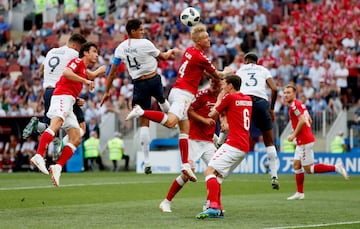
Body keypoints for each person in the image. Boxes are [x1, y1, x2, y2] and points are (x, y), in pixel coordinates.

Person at [125, 23, 232, 182]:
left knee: (184, 129)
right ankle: (141, 112)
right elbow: (216, 74)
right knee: (170, 122)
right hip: (183, 95)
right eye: (205, 38)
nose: (209, 39)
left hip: (178, 91)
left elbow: (201, 71)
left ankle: (185, 165)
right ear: (198, 41)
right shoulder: (201, 56)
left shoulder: (190, 51)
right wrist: (227, 73)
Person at [101, 18, 179, 175]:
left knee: (145, 122)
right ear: (133, 31)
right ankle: (174, 121)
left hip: (139, 84)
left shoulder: (121, 48)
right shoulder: (146, 43)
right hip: (153, 79)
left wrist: (107, 90)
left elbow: (113, 71)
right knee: (162, 100)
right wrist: (170, 52)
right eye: (140, 29)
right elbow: (163, 57)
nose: (143, 31)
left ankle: (147, 160)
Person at [30, 42, 106, 187]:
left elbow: (87, 75)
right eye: (94, 51)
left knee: (77, 137)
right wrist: (86, 80)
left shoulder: (83, 68)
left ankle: (57, 166)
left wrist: (96, 73)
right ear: (85, 53)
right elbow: (66, 72)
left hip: (69, 101)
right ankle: (39, 155)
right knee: (56, 124)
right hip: (61, 96)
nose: (97, 54)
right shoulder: (76, 61)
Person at [159, 78, 221, 213]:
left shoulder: (221, 97)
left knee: (217, 172)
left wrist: (215, 136)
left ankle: (210, 203)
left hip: (208, 142)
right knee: (186, 175)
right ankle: (166, 202)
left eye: (216, 85)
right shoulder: (201, 95)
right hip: (194, 139)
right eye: (211, 83)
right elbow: (189, 112)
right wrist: (204, 120)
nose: (213, 87)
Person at [195, 74, 253, 219]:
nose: (222, 87)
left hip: (233, 144)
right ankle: (218, 209)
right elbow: (233, 113)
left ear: (230, 86)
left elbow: (212, 113)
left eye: (224, 84)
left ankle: (213, 207)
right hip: (244, 146)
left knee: (208, 172)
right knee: (218, 176)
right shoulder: (248, 99)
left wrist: (220, 99)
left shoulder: (229, 98)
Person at [283, 84, 349, 200]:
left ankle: (336, 167)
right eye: (285, 93)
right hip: (303, 139)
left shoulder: (294, 106)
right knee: (296, 165)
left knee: (309, 169)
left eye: (288, 92)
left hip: (304, 140)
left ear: (294, 94)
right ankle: (300, 193)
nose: (286, 95)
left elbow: (303, 120)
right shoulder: (300, 105)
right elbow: (309, 119)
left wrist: (293, 134)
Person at [22, 33, 87, 151]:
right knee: (81, 126)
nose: (80, 51)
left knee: (49, 125)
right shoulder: (73, 53)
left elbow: (41, 71)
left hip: (48, 92)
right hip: (61, 91)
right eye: (80, 48)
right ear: (74, 45)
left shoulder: (51, 52)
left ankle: (39, 126)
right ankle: (62, 144)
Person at [235, 52, 280, 190]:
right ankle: (274, 176)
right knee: (269, 141)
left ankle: (221, 153)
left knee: (236, 133)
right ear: (257, 61)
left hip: (245, 101)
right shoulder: (264, 70)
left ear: (247, 61)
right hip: (261, 103)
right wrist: (271, 109)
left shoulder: (241, 70)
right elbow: (275, 89)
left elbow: (234, 87)